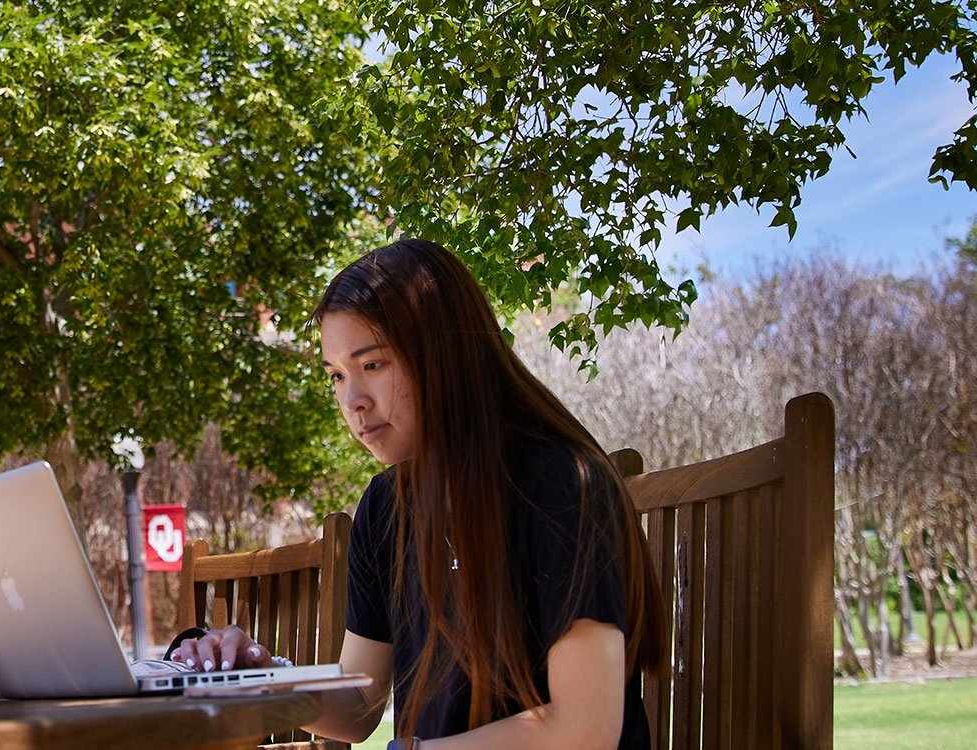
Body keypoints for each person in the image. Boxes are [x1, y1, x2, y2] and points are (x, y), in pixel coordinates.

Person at [169, 239, 666, 749]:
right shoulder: (387, 506)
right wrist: (254, 683)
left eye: (373, 365)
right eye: (337, 375)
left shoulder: (562, 484)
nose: (353, 401)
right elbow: (360, 705)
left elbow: (585, 728)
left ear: (445, 353)